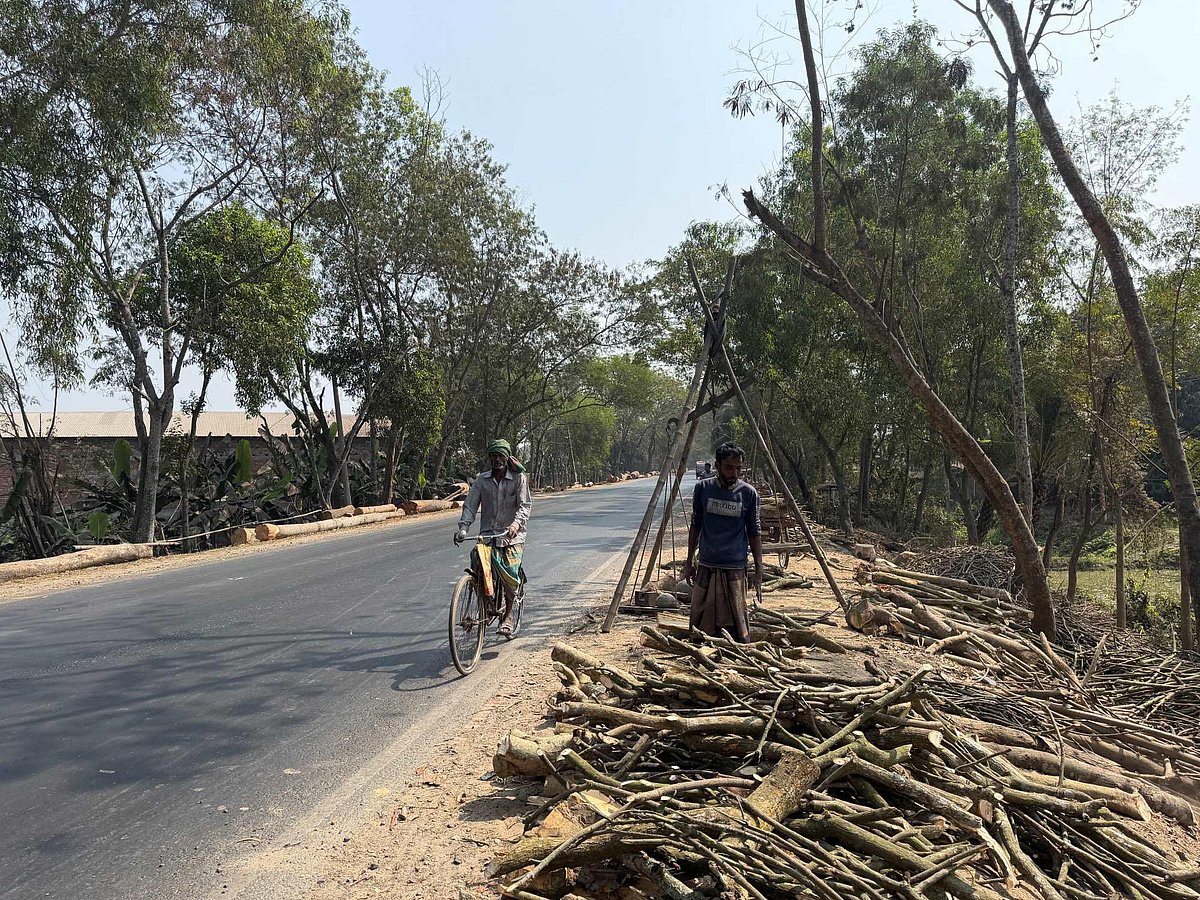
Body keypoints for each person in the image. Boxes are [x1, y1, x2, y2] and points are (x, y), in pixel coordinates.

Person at [682, 442, 762, 643]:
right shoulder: (703, 489)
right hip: (707, 564)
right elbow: (696, 526)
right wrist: (689, 560)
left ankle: (734, 656)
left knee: (736, 624)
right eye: (729, 467)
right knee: (701, 623)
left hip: (734, 566)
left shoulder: (749, 494)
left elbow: (754, 532)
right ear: (717, 466)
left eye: (738, 468)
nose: (734, 472)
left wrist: (759, 569)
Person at [454, 439, 532, 636]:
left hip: (511, 537)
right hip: (488, 536)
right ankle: (484, 602)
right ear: (489, 457)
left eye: (500, 456)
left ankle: (508, 616)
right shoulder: (481, 480)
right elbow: (470, 506)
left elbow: (524, 507)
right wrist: (463, 528)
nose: (497, 459)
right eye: (493, 456)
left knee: (509, 575)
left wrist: (515, 525)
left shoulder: (518, 478)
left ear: (506, 457)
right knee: (477, 563)